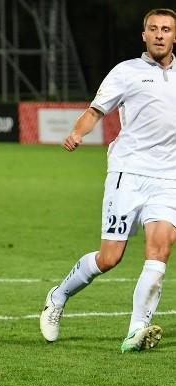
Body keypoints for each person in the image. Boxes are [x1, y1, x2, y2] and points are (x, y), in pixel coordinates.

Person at [39, 8, 176, 353]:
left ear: (175, 36)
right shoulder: (126, 71)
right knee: (110, 257)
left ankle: (136, 331)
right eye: (153, 29)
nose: (160, 34)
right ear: (144, 35)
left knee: (160, 248)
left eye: (166, 29)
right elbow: (95, 110)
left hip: (168, 178)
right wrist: (77, 132)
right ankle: (58, 296)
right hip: (127, 173)